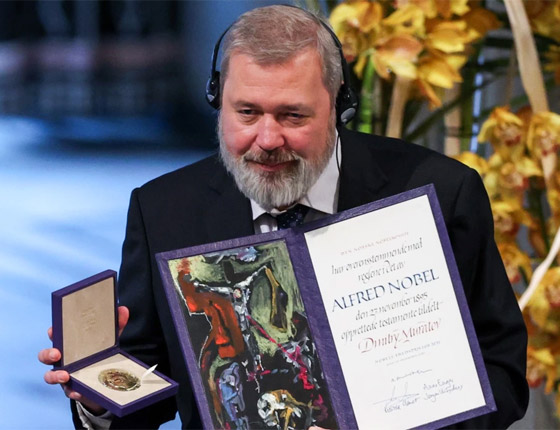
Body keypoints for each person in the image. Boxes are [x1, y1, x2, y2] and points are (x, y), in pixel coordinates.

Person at [39, 4, 529, 429]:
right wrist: (98, 395)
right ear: (217, 101)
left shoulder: (442, 193)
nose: (268, 139)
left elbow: (501, 373)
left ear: (338, 105)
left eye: (293, 116)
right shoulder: (163, 210)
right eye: (247, 113)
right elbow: (151, 389)